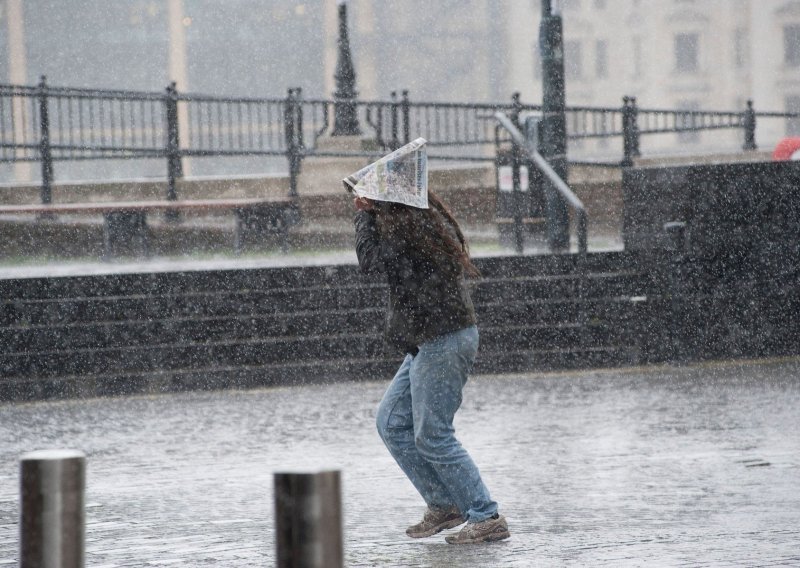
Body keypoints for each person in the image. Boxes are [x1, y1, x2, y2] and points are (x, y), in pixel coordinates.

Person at [353, 191, 510, 544]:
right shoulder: (418, 222)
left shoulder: (409, 230)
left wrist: (363, 216)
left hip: (444, 339)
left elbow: (371, 261)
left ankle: (486, 515)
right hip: (429, 340)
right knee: (391, 423)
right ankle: (444, 504)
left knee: (433, 434)